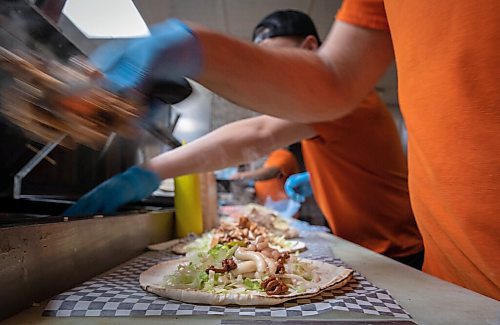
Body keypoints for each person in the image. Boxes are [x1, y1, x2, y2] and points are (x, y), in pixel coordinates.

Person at [68, 2, 500, 299]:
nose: (268, 89)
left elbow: (256, 133)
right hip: (440, 267)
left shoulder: (356, 102)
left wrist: (151, 170)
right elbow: (319, 87)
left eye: (278, 62)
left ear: (311, 49)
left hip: (398, 252)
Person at [232, 148, 300, 204]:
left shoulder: (281, 153)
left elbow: (271, 173)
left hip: (283, 206)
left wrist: (241, 175)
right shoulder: (267, 157)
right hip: (268, 205)